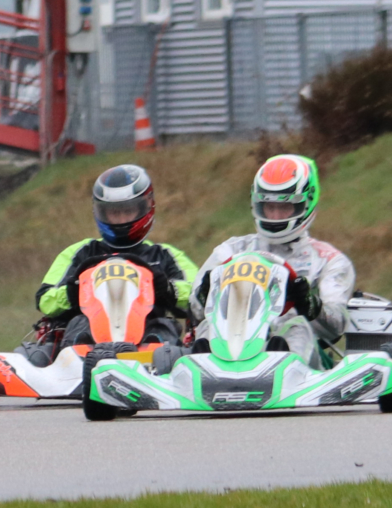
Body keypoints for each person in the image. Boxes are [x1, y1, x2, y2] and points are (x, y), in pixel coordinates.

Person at [199, 154, 357, 365]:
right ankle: (199, 378)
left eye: (284, 207)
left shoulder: (329, 260)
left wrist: (308, 304)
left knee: (296, 327)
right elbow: (194, 311)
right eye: (268, 207)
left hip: (305, 364)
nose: (274, 216)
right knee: (205, 328)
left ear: (306, 204)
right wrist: (204, 294)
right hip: (233, 346)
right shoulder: (230, 250)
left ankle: (284, 376)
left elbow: (336, 326)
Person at [30, 163, 198, 348]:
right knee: (77, 326)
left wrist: (167, 289)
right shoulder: (80, 252)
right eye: (114, 213)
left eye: (128, 211)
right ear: (101, 212)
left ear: (145, 207)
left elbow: (198, 295)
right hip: (88, 334)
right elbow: (45, 300)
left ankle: (155, 365)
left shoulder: (164, 255)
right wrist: (72, 292)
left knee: (164, 327)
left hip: (147, 333)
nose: (121, 219)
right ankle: (79, 365)